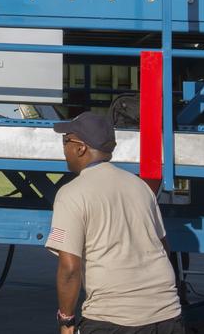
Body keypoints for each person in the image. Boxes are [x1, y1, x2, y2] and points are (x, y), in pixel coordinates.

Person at [46, 112, 184, 334]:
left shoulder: (71, 194)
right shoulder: (139, 187)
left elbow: (70, 268)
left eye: (66, 141)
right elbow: (163, 247)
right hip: (167, 313)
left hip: (113, 318)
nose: (64, 149)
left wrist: (66, 320)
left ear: (80, 148)